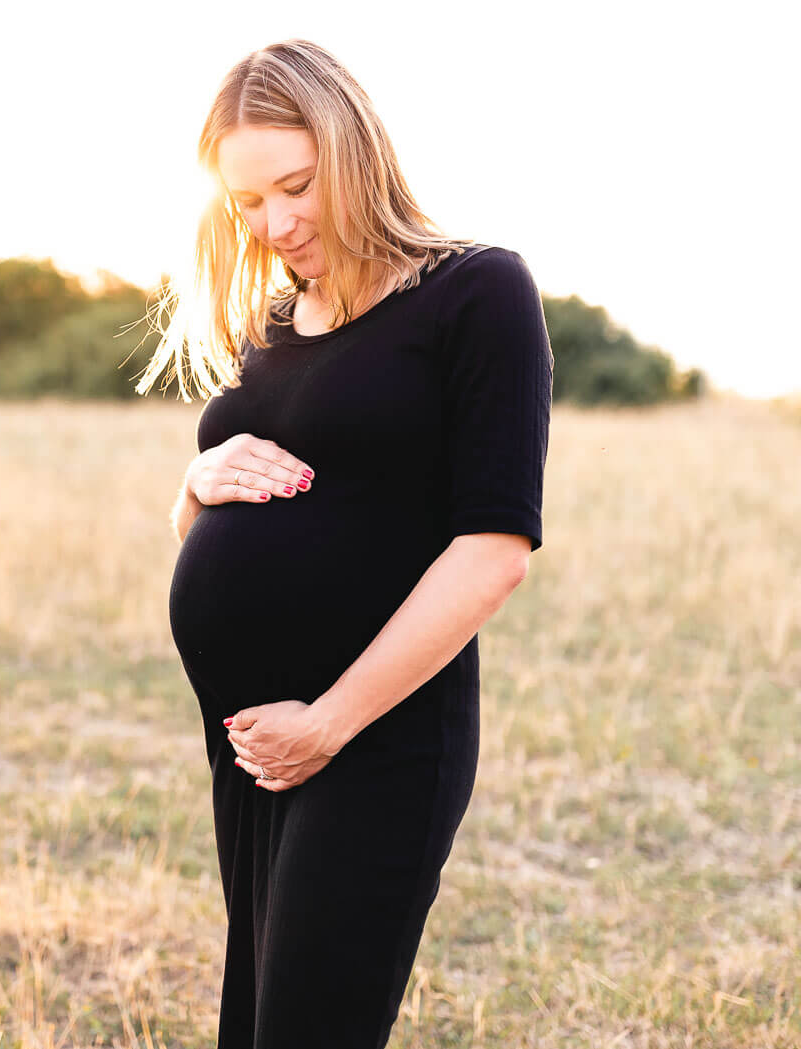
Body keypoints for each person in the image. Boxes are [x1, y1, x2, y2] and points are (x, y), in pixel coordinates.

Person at [139, 38, 553, 1049]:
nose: (275, 224)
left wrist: (327, 721)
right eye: (246, 202)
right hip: (251, 743)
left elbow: (494, 548)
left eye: (296, 185)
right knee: (256, 1019)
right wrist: (193, 483)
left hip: (374, 737)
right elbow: (224, 526)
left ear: (354, 152)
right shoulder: (273, 325)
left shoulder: (474, 293)